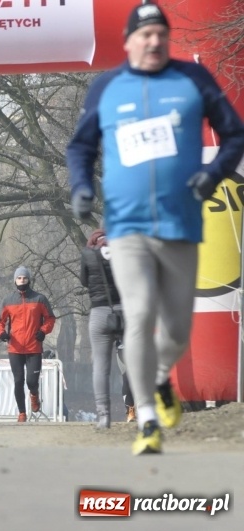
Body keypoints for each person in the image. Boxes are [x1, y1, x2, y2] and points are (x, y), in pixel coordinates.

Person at [66, 2, 244, 454]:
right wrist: (83, 187)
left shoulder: (193, 79)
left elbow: (235, 134)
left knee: (177, 330)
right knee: (140, 314)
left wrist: (213, 173)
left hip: (181, 223)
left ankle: (162, 379)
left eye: (161, 35)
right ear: (127, 42)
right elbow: (81, 147)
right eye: (144, 35)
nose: (153, 42)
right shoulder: (107, 86)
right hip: (126, 227)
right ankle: (147, 416)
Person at [79, 228, 132, 429]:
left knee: (101, 367)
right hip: (125, 312)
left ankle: (104, 417)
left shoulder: (88, 254)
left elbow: (84, 281)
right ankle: (143, 410)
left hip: (100, 313)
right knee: (134, 363)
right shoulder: (124, 248)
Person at [0, 266, 56, 423]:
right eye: (19, 278)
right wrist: (1, 333)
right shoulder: (7, 300)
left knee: (31, 382)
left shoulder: (39, 299)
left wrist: (43, 331)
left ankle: (34, 395)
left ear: (29, 280)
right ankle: (21, 413)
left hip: (34, 347)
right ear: (15, 280)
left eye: (25, 278)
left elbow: (50, 318)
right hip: (15, 347)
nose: (22, 281)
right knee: (18, 381)